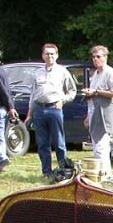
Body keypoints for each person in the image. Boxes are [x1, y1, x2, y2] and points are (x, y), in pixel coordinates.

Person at [24, 43, 77, 179]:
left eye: (52, 54)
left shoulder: (63, 72)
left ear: (57, 55)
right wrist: (30, 113)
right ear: (43, 56)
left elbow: (72, 91)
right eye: (47, 54)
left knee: (59, 142)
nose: (50, 56)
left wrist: (63, 100)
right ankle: (46, 172)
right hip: (39, 109)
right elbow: (33, 93)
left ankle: (64, 171)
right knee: (42, 144)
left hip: (54, 109)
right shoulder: (38, 72)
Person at [83, 45, 113, 179]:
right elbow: (92, 98)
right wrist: (88, 116)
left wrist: (96, 92)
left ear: (105, 57)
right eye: (93, 57)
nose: (95, 59)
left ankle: (106, 175)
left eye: (98, 56)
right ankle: (100, 174)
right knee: (96, 146)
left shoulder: (110, 73)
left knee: (102, 146)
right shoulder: (95, 74)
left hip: (105, 114)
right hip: (94, 112)